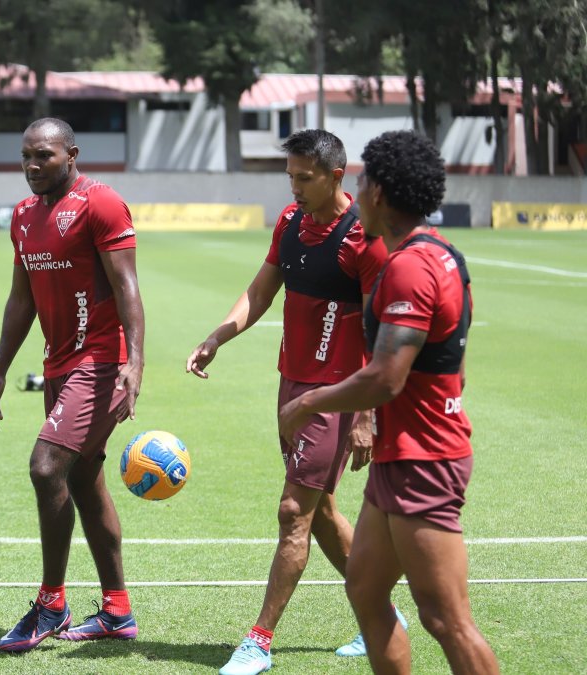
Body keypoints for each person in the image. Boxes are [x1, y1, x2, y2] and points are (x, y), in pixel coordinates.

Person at [280, 130, 498, 675]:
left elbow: (384, 378)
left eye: (363, 179)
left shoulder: (408, 267)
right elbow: (455, 367)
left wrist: (311, 404)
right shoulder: (445, 255)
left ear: (377, 193)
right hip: (401, 457)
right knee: (366, 590)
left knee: (447, 620)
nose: (356, 187)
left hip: (424, 461)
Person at [185, 129, 392, 675]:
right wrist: (215, 338)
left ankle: (258, 641)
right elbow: (259, 292)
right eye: (291, 177)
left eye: (305, 178)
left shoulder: (363, 239)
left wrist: (366, 416)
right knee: (320, 509)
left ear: (336, 176)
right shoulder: (290, 223)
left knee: (293, 511)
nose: (295, 187)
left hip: (336, 394)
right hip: (292, 387)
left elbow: (377, 329)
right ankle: (383, 618)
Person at [0, 118, 145, 652]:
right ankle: (117, 611)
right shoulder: (24, 215)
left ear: (71, 154)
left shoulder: (102, 204)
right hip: (57, 366)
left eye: (44, 156)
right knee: (82, 481)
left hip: (100, 362)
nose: (32, 166)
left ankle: (52, 602)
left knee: (46, 465)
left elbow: (127, 288)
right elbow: (21, 299)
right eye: (25, 156)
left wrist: (134, 363)